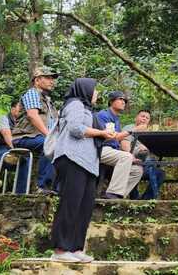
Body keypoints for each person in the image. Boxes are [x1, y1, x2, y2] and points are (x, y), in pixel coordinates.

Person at [51, 78, 115, 263]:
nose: (97, 94)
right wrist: (101, 133)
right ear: (85, 90)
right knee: (71, 203)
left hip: (88, 163)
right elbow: (75, 128)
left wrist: (109, 135)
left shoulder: (88, 110)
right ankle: (61, 250)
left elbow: (91, 134)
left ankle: (76, 248)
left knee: (84, 206)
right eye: (95, 90)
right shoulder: (75, 104)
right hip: (72, 158)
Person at [11, 67, 59, 193]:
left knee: (64, 147)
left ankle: (57, 188)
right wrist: (49, 137)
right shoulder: (32, 93)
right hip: (24, 137)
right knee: (51, 145)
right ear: (37, 80)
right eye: (48, 78)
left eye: (52, 79)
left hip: (37, 137)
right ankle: (43, 186)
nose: (51, 81)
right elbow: (33, 116)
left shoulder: (48, 101)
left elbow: (54, 122)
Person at [97, 91, 144, 199]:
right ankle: (112, 192)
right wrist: (135, 129)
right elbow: (113, 137)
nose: (123, 102)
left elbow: (117, 142)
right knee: (126, 157)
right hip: (100, 149)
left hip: (112, 151)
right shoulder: (104, 115)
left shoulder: (116, 118)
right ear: (111, 101)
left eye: (125, 100)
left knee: (137, 170)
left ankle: (117, 196)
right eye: (120, 99)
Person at [0, 100, 30, 194]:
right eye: (20, 108)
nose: (22, 111)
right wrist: (18, 151)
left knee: (26, 160)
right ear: (12, 109)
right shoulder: (3, 119)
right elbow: (7, 136)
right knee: (23, 159)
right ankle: (19, 193)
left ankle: (21, 192)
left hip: (7, 152)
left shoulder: (22, 122)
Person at [122, 110, 166, 200]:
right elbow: (124, 144)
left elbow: (154, 151)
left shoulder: (149, 132)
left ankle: (147, 199)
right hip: (132, 159)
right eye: (142, 116)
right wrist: (133, 154)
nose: (144, 119)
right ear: (136, 118)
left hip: (146, 163)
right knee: (149, 163)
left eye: (147, 118)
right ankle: (134, 197)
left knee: (160, 173)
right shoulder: (130, 128)